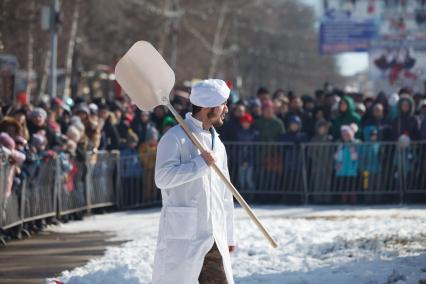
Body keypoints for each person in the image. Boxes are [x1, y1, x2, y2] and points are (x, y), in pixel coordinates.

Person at [153, 79, 236, 284]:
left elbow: (225, 194)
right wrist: (199, 164)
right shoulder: (174, 138)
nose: (226, 109)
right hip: (185, 234)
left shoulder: (219, 145)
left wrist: (229, 235)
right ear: (209, 107)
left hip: (215, 235)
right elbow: (162, 178)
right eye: (223, 104)